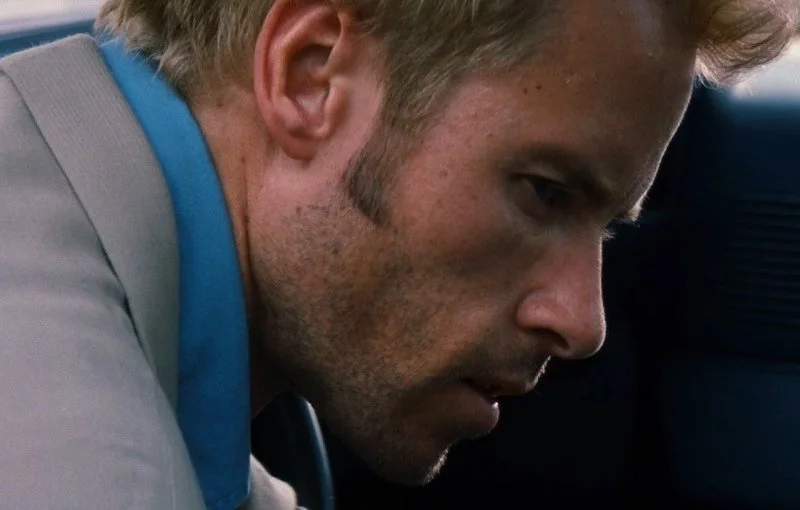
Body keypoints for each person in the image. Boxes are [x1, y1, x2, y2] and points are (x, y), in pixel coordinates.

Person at [0, 0, 795, 508]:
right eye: (545, 193)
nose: (583, 323)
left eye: (609, 227)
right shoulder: (90, 468)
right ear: (310, 76)